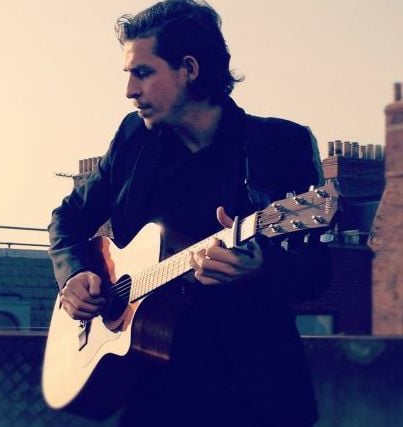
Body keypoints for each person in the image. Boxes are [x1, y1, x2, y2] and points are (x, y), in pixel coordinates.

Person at [48, 1, 332, 426]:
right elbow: (67, 219)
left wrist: (261, 266)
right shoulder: (132, 139)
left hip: (252, 394)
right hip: (149, 390)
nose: (129, 90)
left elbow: (317, 271)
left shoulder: (279, 145)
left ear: (189, 69)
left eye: (143, 72)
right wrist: (74, 274)